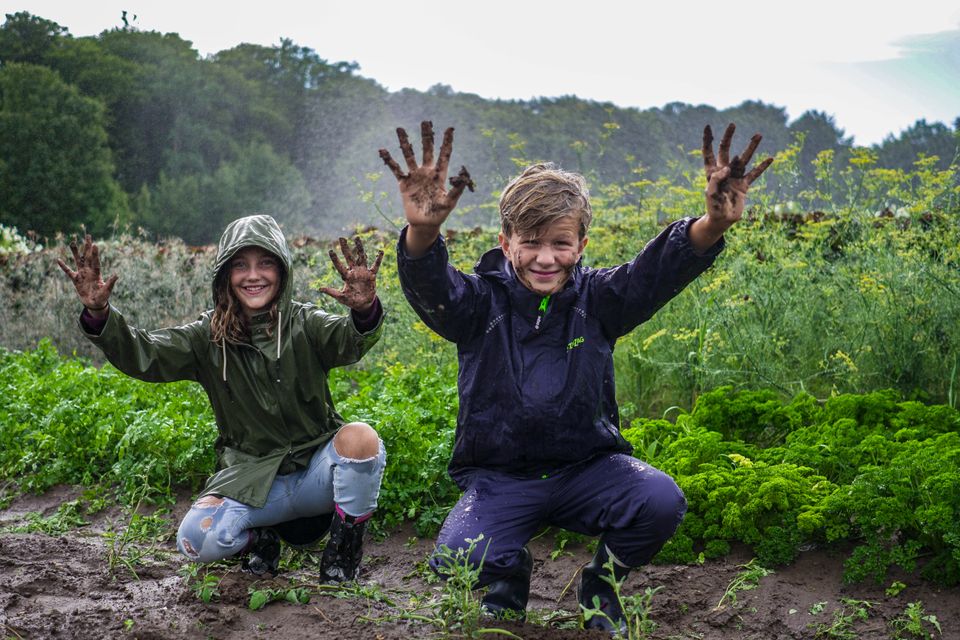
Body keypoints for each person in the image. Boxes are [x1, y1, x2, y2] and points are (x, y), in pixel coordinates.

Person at [380, 121, 773, 632]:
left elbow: (658, 270)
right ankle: (508, 575)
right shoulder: (479, 304)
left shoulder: (601, 300)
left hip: (588, 469)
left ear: (582, 244)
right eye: (531, 242)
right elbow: (432, 285)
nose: (546, 257)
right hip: (502, 479)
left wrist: (713, 223)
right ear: (505, 242)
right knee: (459, 558)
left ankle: (600, 585)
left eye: (561, 243)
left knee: (659, 500)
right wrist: (424, 231)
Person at [57, 214, 387, 582]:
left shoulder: (304, 323)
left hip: (315, 476)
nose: (254, 275)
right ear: (225, 276)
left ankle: (341, 560)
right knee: (195, 538)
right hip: (253, 481)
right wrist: (99, 313)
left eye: (265, 263)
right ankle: (259, 541)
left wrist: (362, 311)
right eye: (240, 265)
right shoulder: (206, 337)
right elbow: (145, 353)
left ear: (282, 271)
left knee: (362, 439)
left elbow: (349, 340)